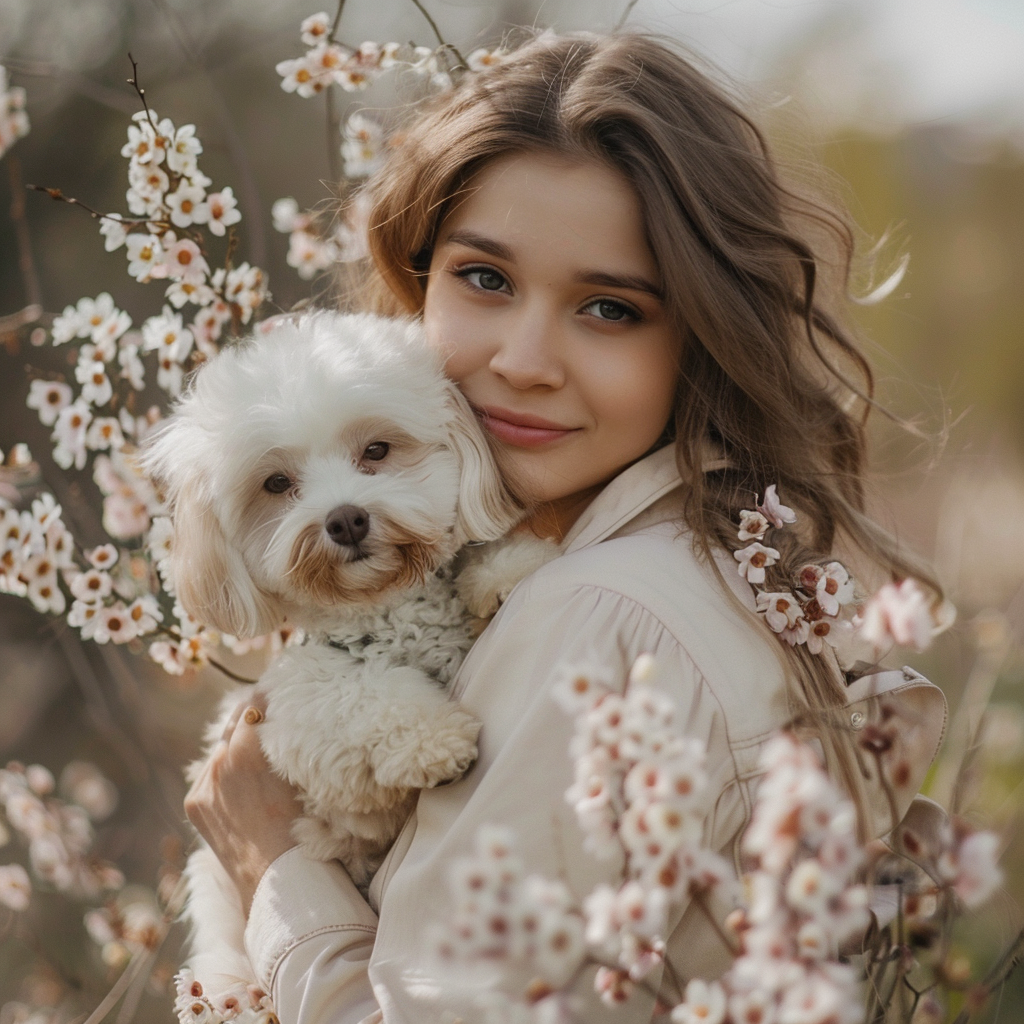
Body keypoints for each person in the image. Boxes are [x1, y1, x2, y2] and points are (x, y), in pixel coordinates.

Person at [183, 31, 947, 1023]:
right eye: (485, 279)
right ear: (419, 283)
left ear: (702, 336)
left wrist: (271, 869)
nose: (525, 361)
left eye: (609, 308)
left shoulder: (597, 616)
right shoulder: (713, 556)